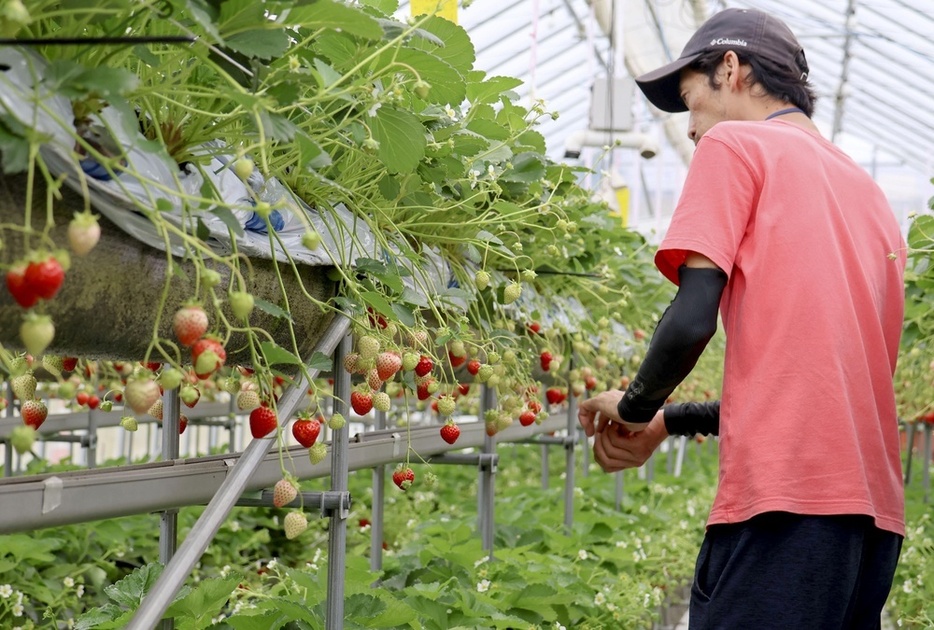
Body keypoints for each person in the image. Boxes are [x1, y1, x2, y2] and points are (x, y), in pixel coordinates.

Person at [577, 8, 907, 629]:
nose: (693, 127)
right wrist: (667, 424)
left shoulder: (737, 145)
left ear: (731, 69)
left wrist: (636, 407)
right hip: (872, 524)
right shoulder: (868, 194)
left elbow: (692, 315)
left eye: (690, 99)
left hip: (784, 516)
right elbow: (819, 394)